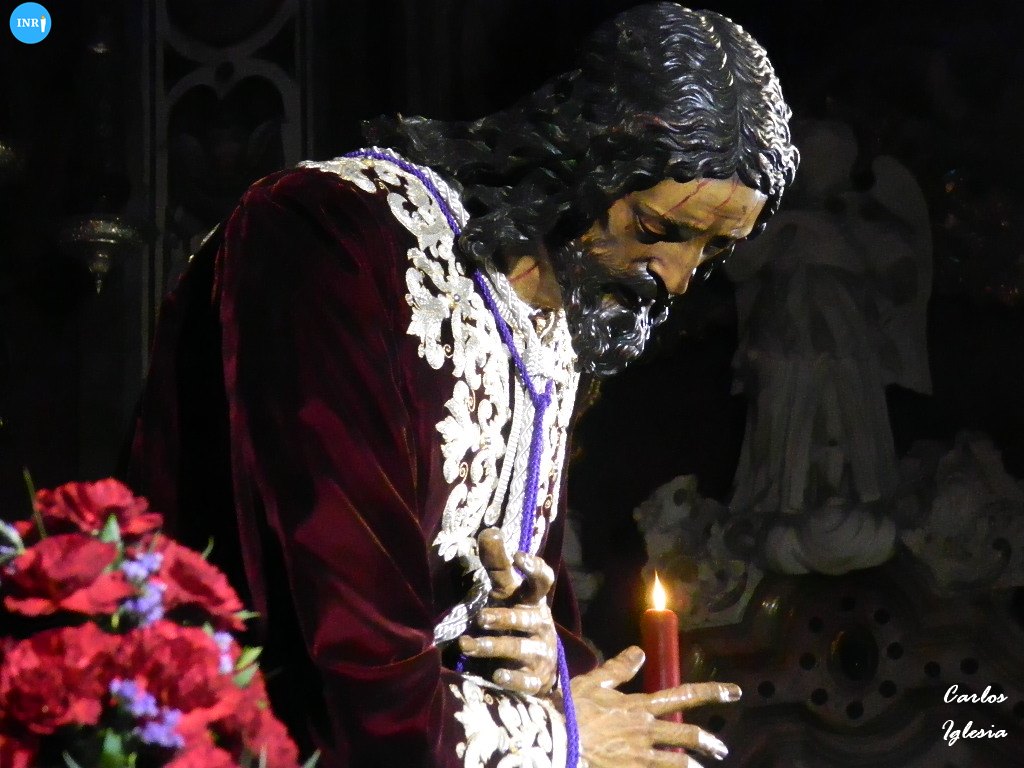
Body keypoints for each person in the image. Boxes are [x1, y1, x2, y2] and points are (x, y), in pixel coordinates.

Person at [128, 4, 798, 767]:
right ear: (587, 156)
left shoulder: (553, 308)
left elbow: (509, 604)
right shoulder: (331, 238)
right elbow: (341, 638)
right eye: (657, 229)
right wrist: (557, 735)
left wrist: (542, 661)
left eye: (712, 251)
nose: (676, 279)